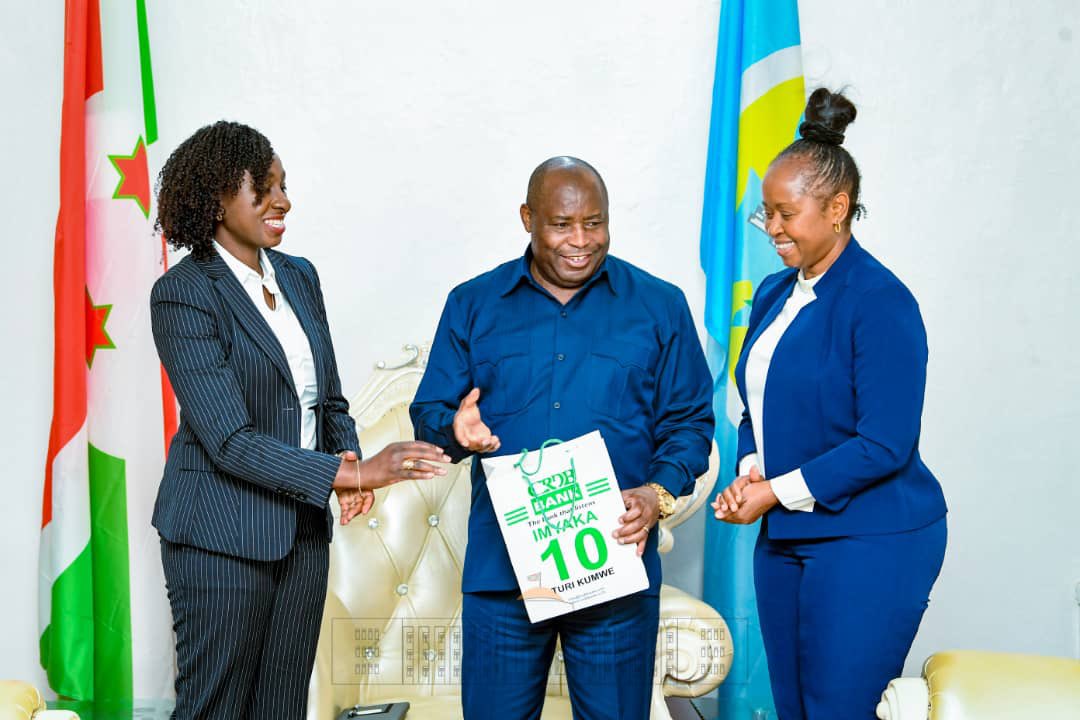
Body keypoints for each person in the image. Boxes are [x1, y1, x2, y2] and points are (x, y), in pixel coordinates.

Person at [150, 120, 449, 719]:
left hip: (303, 537)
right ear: (217, 198)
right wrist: (352, 475)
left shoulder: (298, 276)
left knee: (282, 708)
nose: (282, 201)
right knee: (215, 709)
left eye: (283, 185)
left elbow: (328, 399)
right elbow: (229, 440)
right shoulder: (183, 293)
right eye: (262, 188)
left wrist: (347, 458)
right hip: (220, 538)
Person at [409, 156, 714, 720]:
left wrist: (657, 494)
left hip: (615, 570)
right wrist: (454, 429)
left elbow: (690, 423)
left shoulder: (660, 305)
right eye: (562, 224)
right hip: (503, 575)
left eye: (594, 223)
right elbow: (428, 412)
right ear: (528, 219)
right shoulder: (472, 303)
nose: (580, 240)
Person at [712, 89, 948, 720]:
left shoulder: (880, 302)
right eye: (765, 214)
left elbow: (884, 444)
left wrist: (774, 490)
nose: (772, 229)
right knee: (794, 710)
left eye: (786, 214)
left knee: (838, 710)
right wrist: (752, 469)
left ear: (838, 208)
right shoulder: (772, 294)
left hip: (871, 538)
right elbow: (754, 406)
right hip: (785, 537)